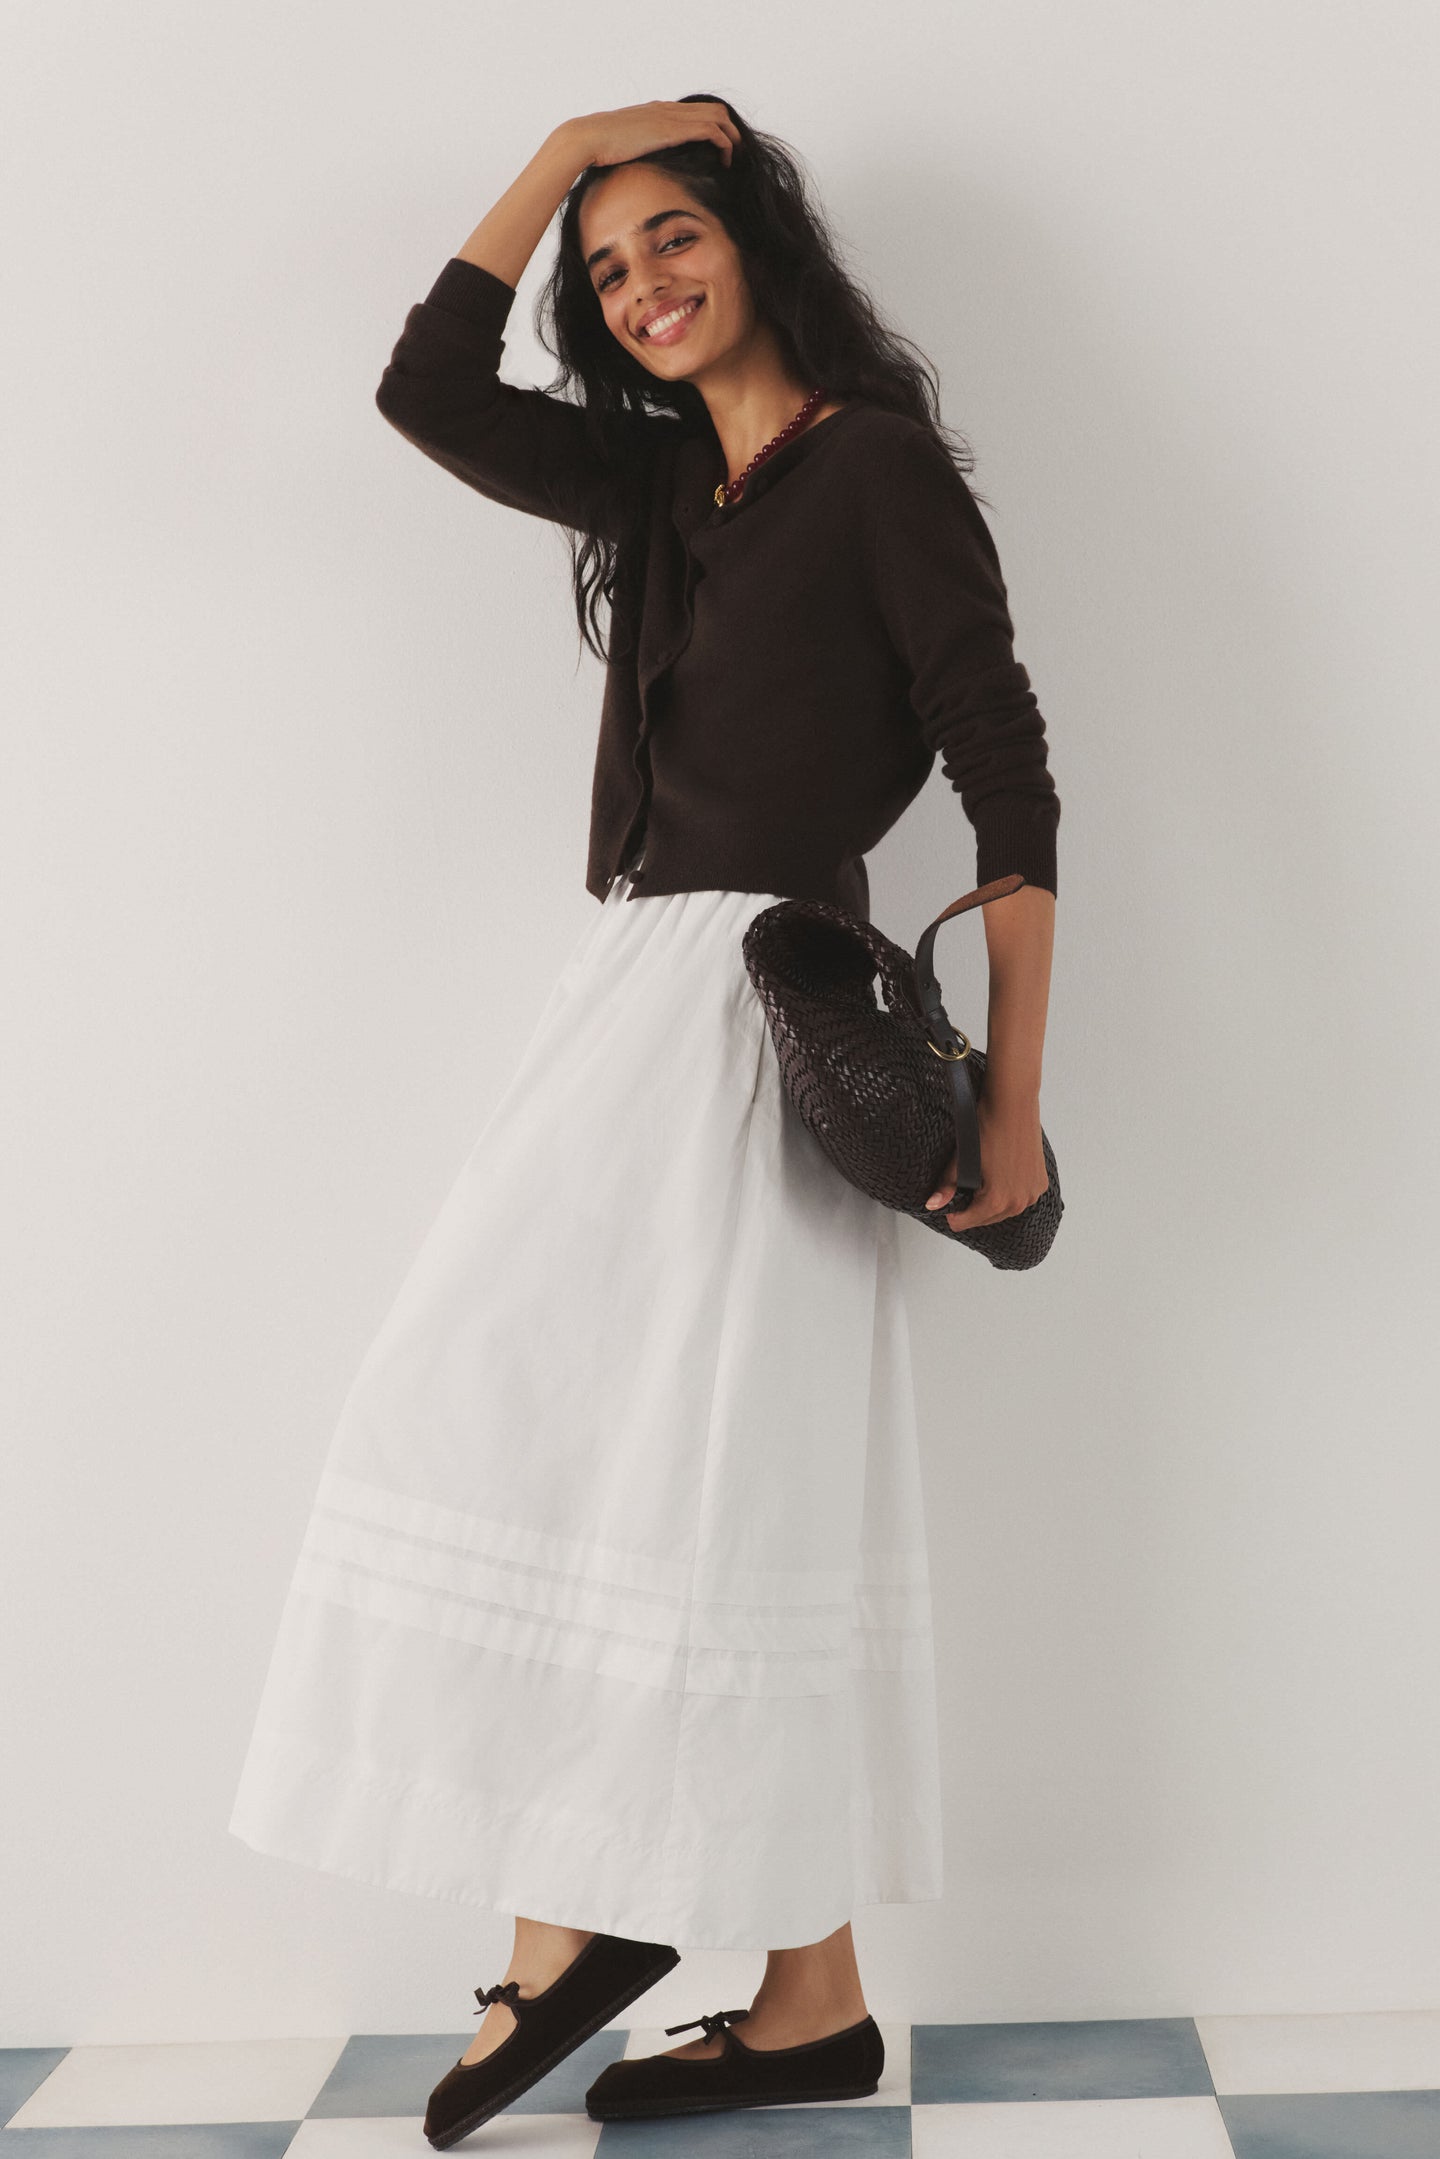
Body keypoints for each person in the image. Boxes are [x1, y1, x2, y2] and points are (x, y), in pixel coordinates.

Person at [228, 94, 1059, 2143]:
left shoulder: (875, 471)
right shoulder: (664, 480)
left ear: (759, 238)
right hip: (637, 993)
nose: (641, 284)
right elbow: (430, 387)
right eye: (606, 270)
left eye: (674, 234)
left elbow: (1011, 785)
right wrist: (568, 148)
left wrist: (1017, 1108)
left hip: (762, 1009)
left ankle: (579, 1927)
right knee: (664, 1463)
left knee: (656, 1463)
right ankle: (809, 2005)